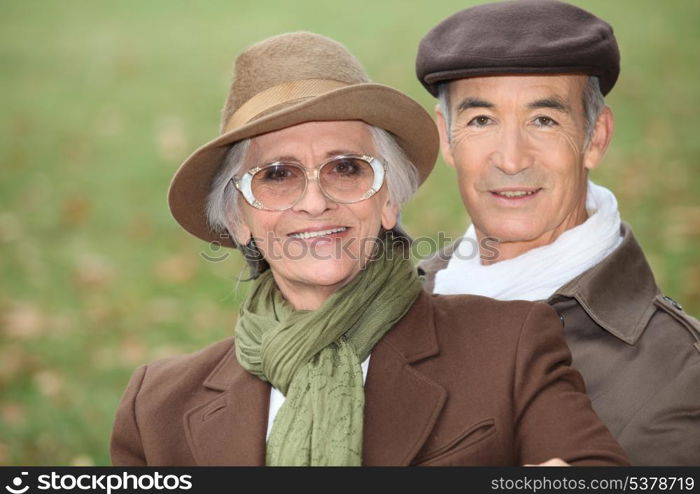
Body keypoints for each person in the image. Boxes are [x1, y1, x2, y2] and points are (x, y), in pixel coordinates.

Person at [110, 31, 627, 466]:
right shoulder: (156, 407)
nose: (316, 202)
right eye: (278, 175)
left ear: (388, 202)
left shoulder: (510, 344)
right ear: (237, 219)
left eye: (346, 168)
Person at [416, 0, 700, 465]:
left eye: (543, 120)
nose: (511, 159)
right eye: (481, 120)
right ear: (447, 138)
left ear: (595, 138)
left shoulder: (682, 376)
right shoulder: (401, 300)